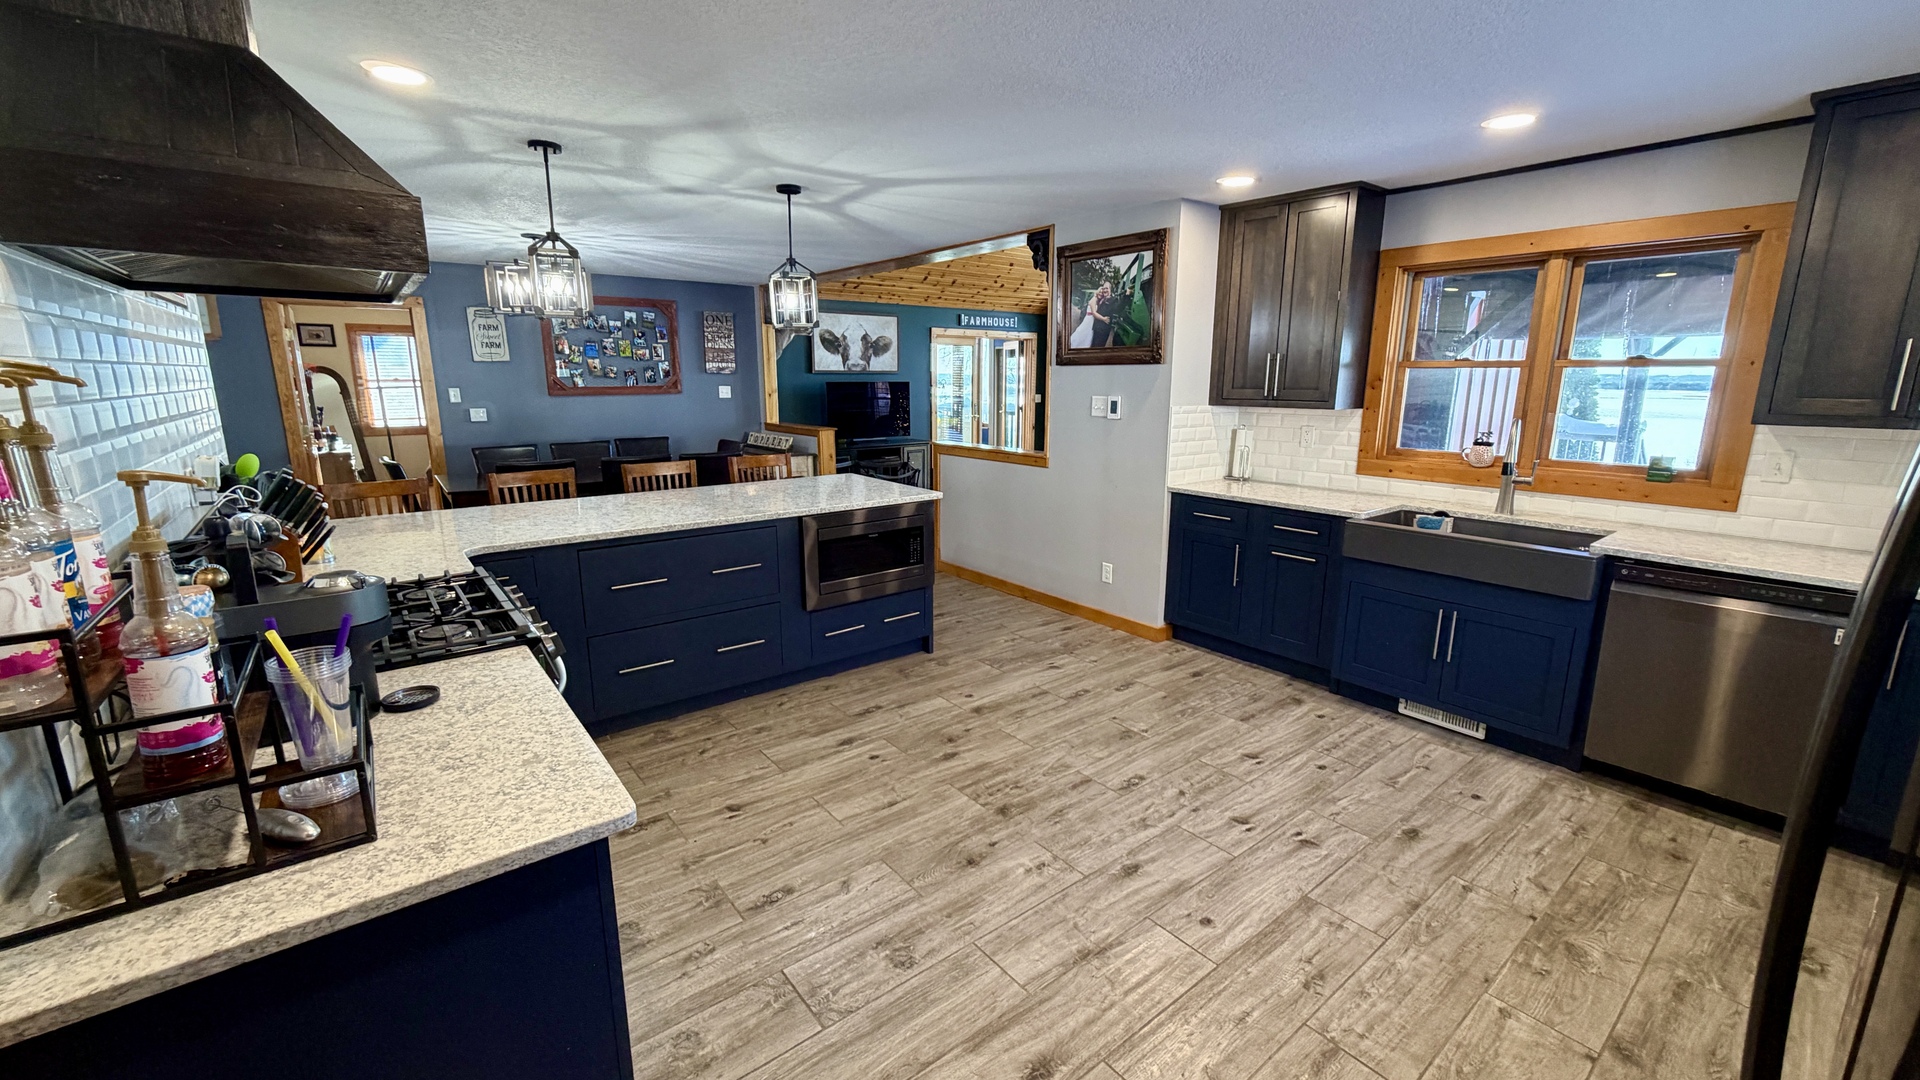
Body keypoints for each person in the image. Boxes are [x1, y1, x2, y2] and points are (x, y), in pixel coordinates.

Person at [1069, 282, 1112, 348]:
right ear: (1097, 292)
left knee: (1088, 336)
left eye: (1102, 293)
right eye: (1099, 292)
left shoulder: (1099, 301)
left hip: (1092, 322)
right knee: (1082, 333)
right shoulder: (1093, 300)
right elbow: (1094, 313)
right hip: (1088, 321)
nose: (1101, 293)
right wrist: (1104, 319)